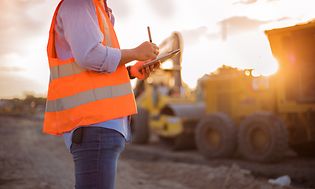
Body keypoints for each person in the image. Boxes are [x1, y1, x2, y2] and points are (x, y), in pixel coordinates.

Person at [43, 0, 159, 188]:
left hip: (99, 127)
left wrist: (130, 71)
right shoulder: (78, 4)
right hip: (94, 126)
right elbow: (89, 55)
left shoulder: (97, 8)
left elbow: (95, 70)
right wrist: (136, 52)